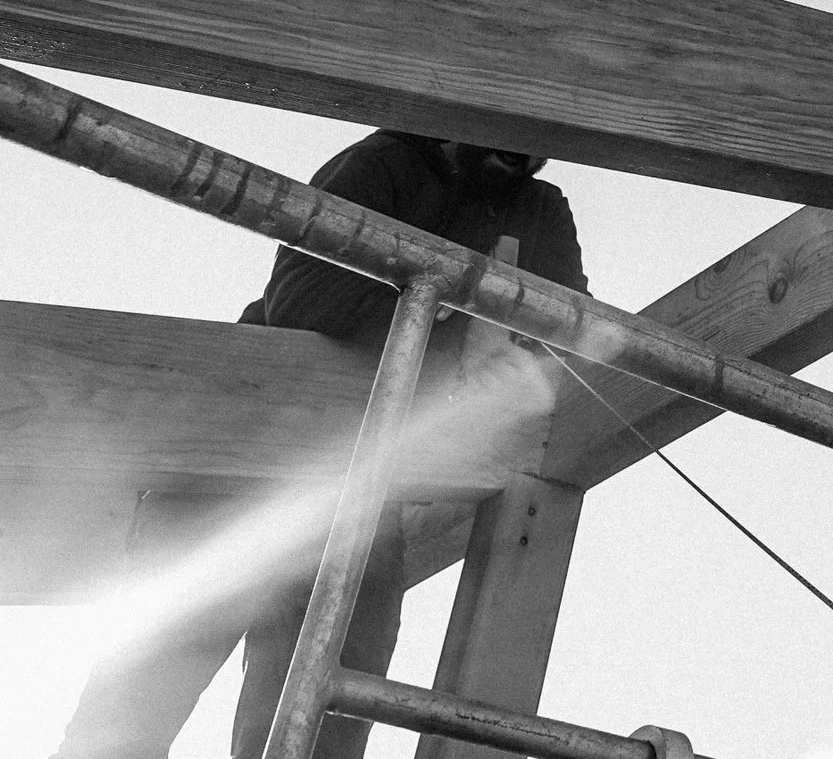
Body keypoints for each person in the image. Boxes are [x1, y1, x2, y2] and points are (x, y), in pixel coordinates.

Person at [52, 131, 589, 759]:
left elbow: (563, 337)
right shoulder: (387, 163)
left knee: (319, 735)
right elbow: (308, 303)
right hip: (238, 465)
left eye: (535, 139)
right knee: (126, 722)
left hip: (357, 491)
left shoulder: (540, 208)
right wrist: (464, 340)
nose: (520, 150)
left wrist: (503, 361)